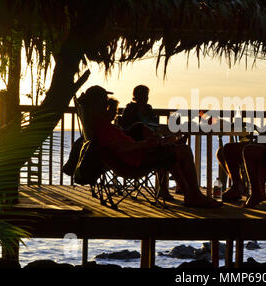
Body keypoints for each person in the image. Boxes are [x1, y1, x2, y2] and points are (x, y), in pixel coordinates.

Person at [83, 85, 221, 208]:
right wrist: (144, 144)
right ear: (98, 103)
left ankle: (189, 194)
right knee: (181, 151)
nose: (107, 103)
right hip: (135, 159)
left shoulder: (98, 123)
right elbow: (120, 148)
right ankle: (193, 195)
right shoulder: (101, 126)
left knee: (171, 152)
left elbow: (120, 144)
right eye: (104, 100)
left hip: (136, 154)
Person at [62, 96, 120, 176]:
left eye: (115, 111)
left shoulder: (97, 125)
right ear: (105, 110)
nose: (115, 114)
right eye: (113, 110)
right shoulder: (103, 127)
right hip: (108, 156)